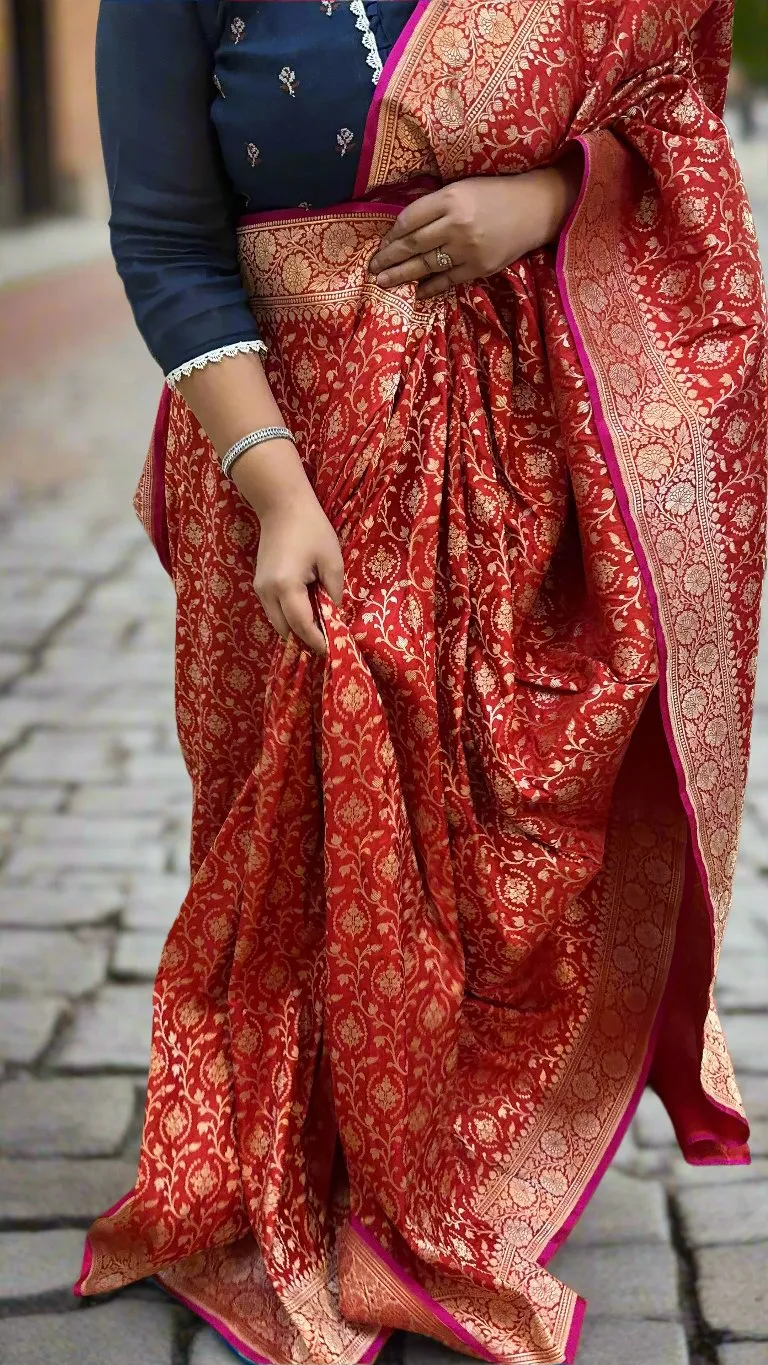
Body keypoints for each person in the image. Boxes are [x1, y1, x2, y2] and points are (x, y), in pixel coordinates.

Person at [76, 4, 767, 1363]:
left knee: (493, 812)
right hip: (287, 447)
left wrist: (550, 194)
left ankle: (451, 1146)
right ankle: (305, 1142)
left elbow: (671, 122)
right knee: (313, 822)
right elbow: (163, 241)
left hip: (519, 440)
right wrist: (275, 490)